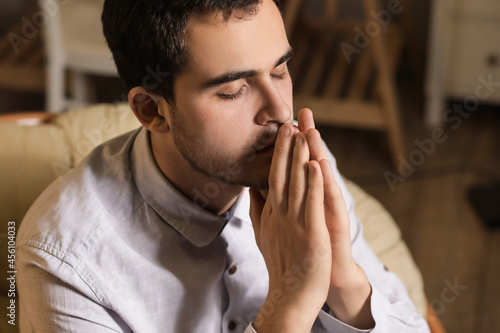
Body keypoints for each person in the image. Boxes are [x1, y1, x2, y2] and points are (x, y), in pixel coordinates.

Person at [17, 0, 430, 332]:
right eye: (233, 91)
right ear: (151, 110)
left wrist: (342, 278)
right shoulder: (64, 269)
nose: (281, 110)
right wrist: (287, 309)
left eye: (281, 70)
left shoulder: (299, 167)